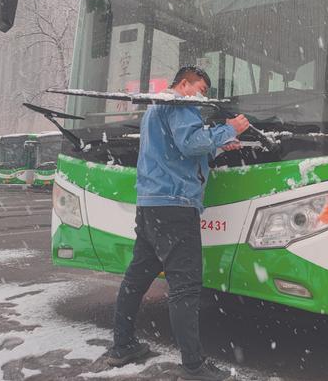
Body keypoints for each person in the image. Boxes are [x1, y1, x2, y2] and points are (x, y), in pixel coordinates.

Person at [105, 66, 249, 381]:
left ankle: (123, 345)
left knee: (136, 279)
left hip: (150, 205)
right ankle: (193, 367)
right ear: (183, 84)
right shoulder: (180, 103)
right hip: (175, 206)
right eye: (200, 89)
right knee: (185, 287)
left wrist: (216, 145)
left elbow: (177, 150)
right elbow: (189, 143)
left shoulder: (157, 108)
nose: (202, 97)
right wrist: (229, 130)